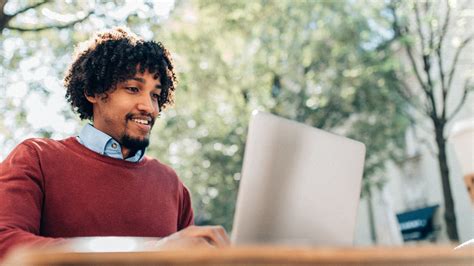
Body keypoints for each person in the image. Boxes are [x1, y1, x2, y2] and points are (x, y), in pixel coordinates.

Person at [0, 27, 229, 259]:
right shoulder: (36, 158)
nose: (149, 107)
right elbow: (6, 244)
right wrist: (148, 252)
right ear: (93, 91)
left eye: (155, 96)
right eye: (133, 89)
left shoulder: (172, 184)